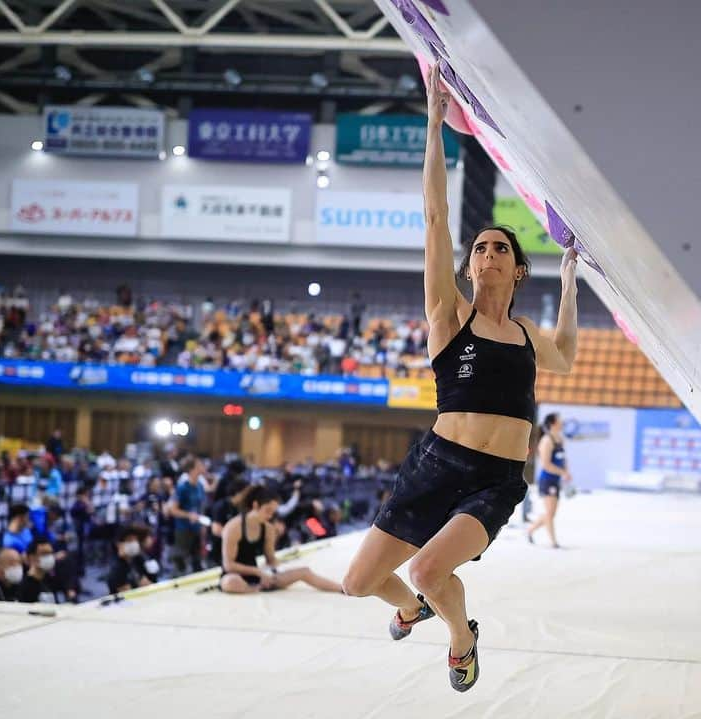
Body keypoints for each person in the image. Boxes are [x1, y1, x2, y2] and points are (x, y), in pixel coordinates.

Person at [340, 67, 579, 692]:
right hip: (437, 463)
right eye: (480, 249)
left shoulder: (529, 336)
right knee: (356, 583)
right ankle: (415, 610)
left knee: (426, 569)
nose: (487, 254)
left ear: (518, 269)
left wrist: (573, 276)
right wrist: (432, 119)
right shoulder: (450, 317)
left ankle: (460, 635)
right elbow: (434, 216)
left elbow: (570, 353)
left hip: (495, 480)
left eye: (501, 248)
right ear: (469, 266)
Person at [219, 487, 340, 594]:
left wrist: (274, 569)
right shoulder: (233, 527)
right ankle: (254, 589)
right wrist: (258, 572)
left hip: (259, 577)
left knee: (304, 571)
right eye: (268, 511)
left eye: (273, 512)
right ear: (255, 505)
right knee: (231, 582)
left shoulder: (268, 528)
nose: (270, 516)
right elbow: (228, 565)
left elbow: (271, 560)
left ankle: (341, 588)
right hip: (236, 575)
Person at [527, 413, 571, 548]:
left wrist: (566, 472)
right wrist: (563, 472)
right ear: (553, 423)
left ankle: (530, 530)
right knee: (550, 512)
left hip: (556, 480)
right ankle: (553, 541)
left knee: (551, 513)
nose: (562, 422)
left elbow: (563, 459)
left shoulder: (560, 439)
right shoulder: (547, 440)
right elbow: (546, 464)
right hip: (547, 480)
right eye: (560, 420)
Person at [107, 525, 154, 594]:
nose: (134, 543)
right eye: (130, 540)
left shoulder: (134, 561)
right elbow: (129, 595)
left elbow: (147, 583)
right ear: (119, 544)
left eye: (135, 540)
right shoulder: (118, 569)